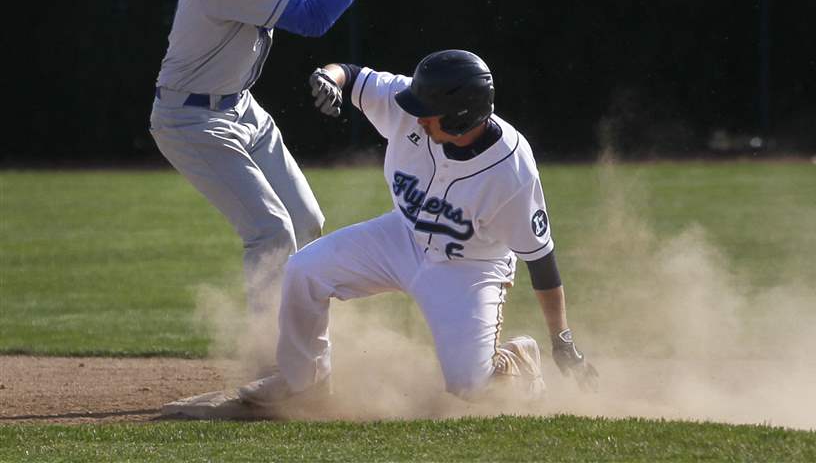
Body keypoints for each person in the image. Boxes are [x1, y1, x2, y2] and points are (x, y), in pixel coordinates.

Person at [150, 0, 405, 362]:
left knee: (306, 221)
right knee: (270, 231)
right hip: (191, 120)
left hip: (240, 108)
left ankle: (298, 341)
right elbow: (312, 19)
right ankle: (273, 357)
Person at [237, 49, 599, 404]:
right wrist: (329, 78)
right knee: (304, 270)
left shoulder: (512, 171)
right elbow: (351, 73)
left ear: (460, 117)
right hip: (403, 236)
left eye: (429, 114)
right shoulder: (413, 101)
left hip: (469, 267)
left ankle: (518, 361)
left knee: (471, 387)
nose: (417, 118)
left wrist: (561, 339)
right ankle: (305, 384)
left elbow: (542, 260)